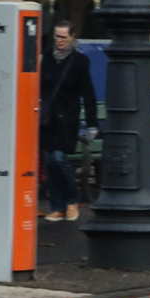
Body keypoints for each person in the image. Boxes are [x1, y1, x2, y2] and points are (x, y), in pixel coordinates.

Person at [39, 21, 97, 222]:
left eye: (64, 37)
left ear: (72, 37)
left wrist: (92, 123)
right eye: (57, 36)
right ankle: (57, 207)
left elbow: (88, 93)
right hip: (47, 119)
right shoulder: (47, 58)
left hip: (67, 119)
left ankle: (72, 200)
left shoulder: (79, 61)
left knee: (58, 159)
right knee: (49, 163)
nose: (60, 41)